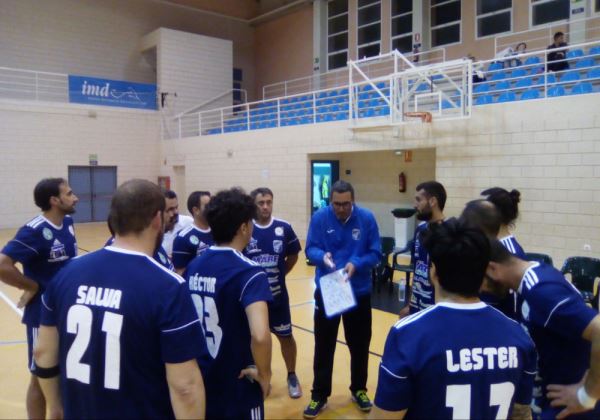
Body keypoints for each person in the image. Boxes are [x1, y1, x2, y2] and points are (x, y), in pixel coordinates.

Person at [34, 179, 207, 419]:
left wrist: (55, 407)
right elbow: (185, 387)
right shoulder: (168, 286)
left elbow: (42, 353)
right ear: (157, 219)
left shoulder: (66, 274)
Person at [371, 219, 537, 419]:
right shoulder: (518, 335)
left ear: (433, 271)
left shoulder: (407, 334)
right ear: (485, 272)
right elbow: (521, 414)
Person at [184, 188, 272, 420]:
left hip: (202, 376)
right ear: (244, 227)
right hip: (237, 382)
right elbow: (261, 335)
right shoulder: (250, 273)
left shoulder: (194, 267)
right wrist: (265, 374)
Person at [486, 241, 600, 419]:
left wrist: (587, 396)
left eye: (478, 283)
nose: (480, 291)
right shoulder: (532, 277)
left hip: (571, 408)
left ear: (492, 269)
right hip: (552, 397)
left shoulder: (542, 290)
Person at [0, 178, 78, 419]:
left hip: (67, 310)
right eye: (69, 193)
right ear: (55, 200)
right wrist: (32, 285)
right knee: (40, 376)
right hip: (42, 316)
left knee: (65, 372)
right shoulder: (33, 230)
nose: (75, 197)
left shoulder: (67, 222)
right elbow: (3, 264)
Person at [304, 180, 381, 418]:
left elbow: (376, 253)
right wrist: (322, 257)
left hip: (358, 291)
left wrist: (356, 264)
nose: (341, 209)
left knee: (360, 346)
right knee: (324, 345)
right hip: (330, 289)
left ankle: (359, 389)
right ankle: (319, 395)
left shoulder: (367, 218)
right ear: (331, 202)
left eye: (346, 204)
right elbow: (310, 248)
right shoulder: (320, 218)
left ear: (353, 200)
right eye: (336, 204)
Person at [243, 187, 302, 398]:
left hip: (278, 297)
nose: (266, 206)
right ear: (254, 205)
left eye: (269, 202)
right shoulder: (245, 229)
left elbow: (294, 255)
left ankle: (292, 375)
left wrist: (282, 272)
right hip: (254, 300)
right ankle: (261, 376)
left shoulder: (284, 228)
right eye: (261, 203)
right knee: (257, 338)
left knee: (286, 337)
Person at [407, 181, 446, 315]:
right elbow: (416, 270)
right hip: (415, 306)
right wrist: (409, 304)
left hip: (435, 310)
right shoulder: (420, 230)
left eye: (419, 200)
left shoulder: (448, 234)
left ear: (432, 201)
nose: (414, 205)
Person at [172, 191, 213, 275]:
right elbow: (180, 273)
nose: (212, 208)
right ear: (196, 210)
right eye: (208, 206)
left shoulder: (219, 231)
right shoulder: (183, 237)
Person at [161, 190, 193, 259]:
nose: (176, 212)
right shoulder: (151, 233)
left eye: (176, 207)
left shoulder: (188, 223)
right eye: (170, 209)